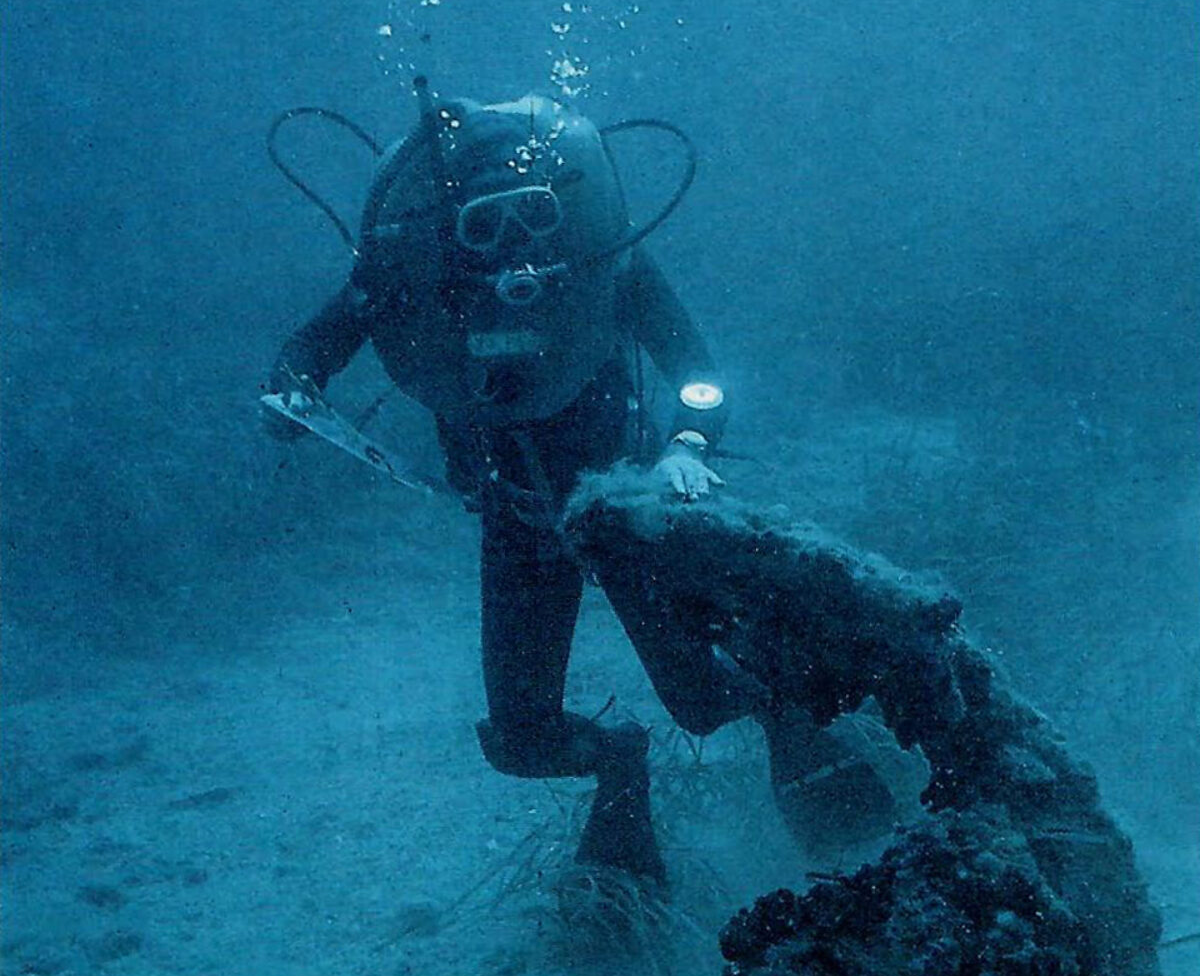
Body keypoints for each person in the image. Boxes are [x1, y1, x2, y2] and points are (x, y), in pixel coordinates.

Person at [266, 84, 893, 889]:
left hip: (626, 506)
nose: (514, 249)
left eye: (532, 216)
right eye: (484, 227)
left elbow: (699, 377)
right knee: (521, 739)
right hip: (517, 519)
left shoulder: (599, 263)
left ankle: (791, 717)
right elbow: (311, 346)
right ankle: (620, 765)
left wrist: (686, 447)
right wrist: (291, 393)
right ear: (451, 233)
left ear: (560, 209)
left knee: (701, 699)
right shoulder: (414, 279)